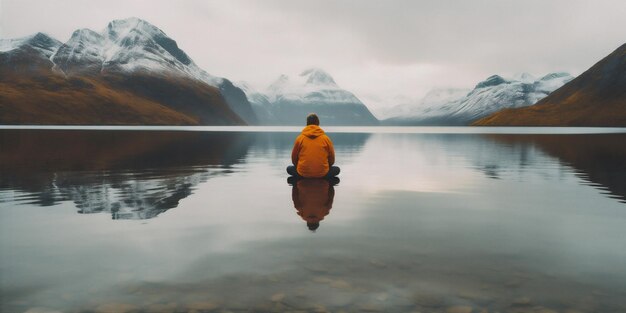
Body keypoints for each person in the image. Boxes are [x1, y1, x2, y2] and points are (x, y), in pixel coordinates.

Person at [287, 113, 340, 178]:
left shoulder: (300, 138)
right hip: (323, 174)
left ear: (307, 123)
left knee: (289, 168)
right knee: (337, 169)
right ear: (318, 123)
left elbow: (294, 159)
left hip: (302, 173)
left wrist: (301, 167)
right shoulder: (326, 139)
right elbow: (332, 160)